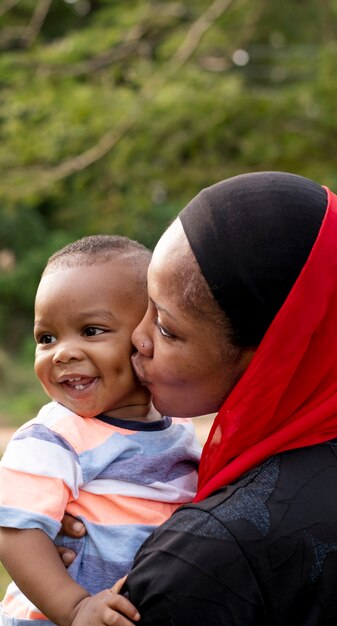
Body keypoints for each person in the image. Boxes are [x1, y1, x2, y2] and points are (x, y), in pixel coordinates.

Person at [61, 172, 337, 625]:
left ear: (271, 356)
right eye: (143, 304)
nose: (137, 338)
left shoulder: (205, 560)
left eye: (167, 329)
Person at [0, 235, 201, 626]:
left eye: (91, 331)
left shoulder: (179, 427)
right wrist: (76, 608)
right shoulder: (55, 436)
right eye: (46, 338)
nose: (62, 352)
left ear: (147, 334)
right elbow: (16, 531)